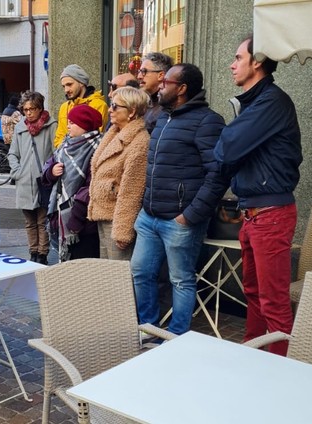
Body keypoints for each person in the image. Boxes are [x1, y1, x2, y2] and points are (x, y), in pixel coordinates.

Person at [214, 35, 302, 356]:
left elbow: (227, 148)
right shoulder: (255, 103)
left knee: (274, 303)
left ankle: (279, 372)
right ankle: (250, 356)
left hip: (271, 216)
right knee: (251, 293)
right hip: (252, 215)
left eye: (238, 58)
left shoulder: (272, 103)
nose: (232, 64)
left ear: (257, 62)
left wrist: (230, 138)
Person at [131, 63, 227, 336]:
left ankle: (176, 337)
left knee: (181, 280)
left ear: (182, 89)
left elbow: (217, 175)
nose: (160, 86)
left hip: (180, 221)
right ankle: (149, 331)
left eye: (166, 83)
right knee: (141, 274)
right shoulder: (163, 117)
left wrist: (190, 215)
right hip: (149, 216)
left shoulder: (209, 121)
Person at [88, 86, 149, 260]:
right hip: (105, 213)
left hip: (118, 218)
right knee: (107, 275)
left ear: (132, 111)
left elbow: (132, 191)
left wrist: (123, 230)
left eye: (115, 106)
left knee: (119, 277)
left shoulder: (139, 142)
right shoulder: (114, 133)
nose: (110, 109)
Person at [42, 104, 103, 262]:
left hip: (84, 221)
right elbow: (49, 166)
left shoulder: (97, 147)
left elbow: (91, 186)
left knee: (83, 264)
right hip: (61, 216)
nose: (68, 126)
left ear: (85, 125)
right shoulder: (65, 145)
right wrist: (51, 172)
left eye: (72, 122)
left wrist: (75, 219)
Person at [7, 91, 57, 264]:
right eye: (25, 109)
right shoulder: (20, 127)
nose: (28, 113)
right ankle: (33, 251)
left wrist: (49, 173)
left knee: (43, 220)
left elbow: (55, 152)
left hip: (43, 181)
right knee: (29, 221)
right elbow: (12, 153)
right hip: (24, 182)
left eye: (32, 109)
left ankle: (42, 253)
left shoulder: (51, 125)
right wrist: (17, 171)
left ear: (40, 107)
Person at [53, 64, 108, 148]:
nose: (66, 90)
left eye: (69, 84)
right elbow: (59, 138)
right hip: (65, 156)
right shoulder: (64, 107)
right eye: (63, 86)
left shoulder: (98, 105)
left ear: (81, 83)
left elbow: (96, 136)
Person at [137, 52, 174, 134]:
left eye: (144, 71)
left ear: (161, 75)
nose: (139, 76)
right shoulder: (145, 103)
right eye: (139, 71)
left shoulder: (169, 106)